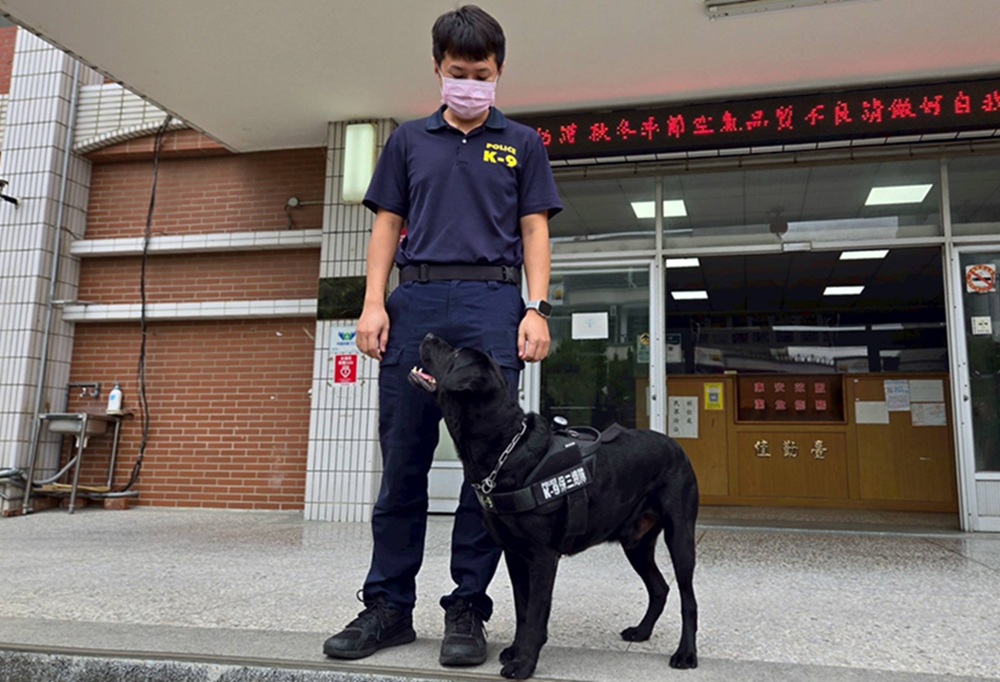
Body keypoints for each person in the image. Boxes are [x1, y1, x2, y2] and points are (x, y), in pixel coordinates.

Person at [322, 4, 562, 668]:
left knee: (486, 473)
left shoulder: (522, 143)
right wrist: (373, 304)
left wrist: (535, 308)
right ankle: (388, 608)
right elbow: (385, 226)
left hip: (492, 303)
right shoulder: (407, 141)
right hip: (416, 302)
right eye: (458, 72)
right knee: (402, 464)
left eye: (481, 73)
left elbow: (536, 228)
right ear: (437, 69)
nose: (470, 84)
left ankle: (467, 609)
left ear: (499, 72)